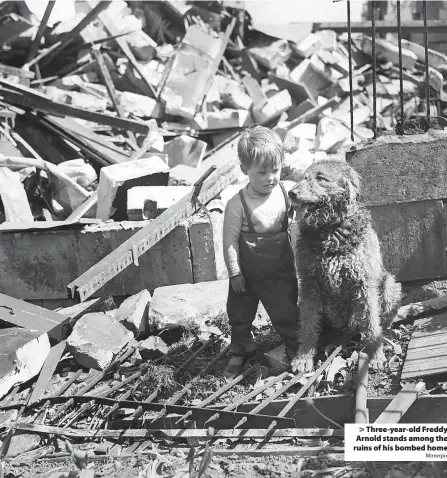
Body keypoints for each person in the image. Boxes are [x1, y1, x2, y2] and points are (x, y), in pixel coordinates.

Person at [222, 125, 299, 379]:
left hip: (279, 270)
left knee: (285, 311)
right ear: (245, 171)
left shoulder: (285, 191)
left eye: (275, 170)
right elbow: (230, 240)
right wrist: (234, 273)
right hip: (247, 272)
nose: (270, 178)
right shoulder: (237, 204)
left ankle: (296, 348)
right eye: (262, 172)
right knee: (239, 313)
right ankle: (240, 348)